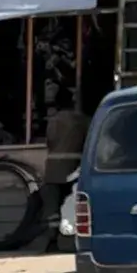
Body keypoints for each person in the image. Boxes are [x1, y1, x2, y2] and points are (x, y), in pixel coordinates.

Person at [42, 89, 89, 252]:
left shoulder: (53, 121)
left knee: (53, 209)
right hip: (73, 169)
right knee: (73, 206)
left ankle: (52, 240)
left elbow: (50, 141)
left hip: (53, 169)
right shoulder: (82, 120)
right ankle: (75, 241)